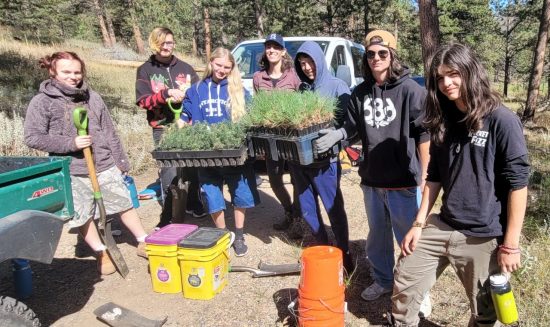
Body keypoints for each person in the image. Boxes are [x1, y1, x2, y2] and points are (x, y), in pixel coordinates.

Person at [388, 43, 529, 326]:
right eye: (439, 78)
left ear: (469, 72)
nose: (446, 83)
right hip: (444, 223)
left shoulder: (502, 120)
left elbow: (519, 184)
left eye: (453, 74)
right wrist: (418, 224)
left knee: (486, 312)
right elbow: (434, 176)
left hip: (483, 233)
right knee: (405, 278)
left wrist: (511, 245)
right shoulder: (444, 119)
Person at [316, 30, 430, 302]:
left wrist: (426, 176)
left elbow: (424, 135)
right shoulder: (360, 93)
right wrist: (339, 135)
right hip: (372, 181)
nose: (376, 58)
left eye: (382, 53)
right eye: (370, 54)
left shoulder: (411, 90)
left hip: (404, 181)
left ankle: (417, 292)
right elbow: (352, 127)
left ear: (393, 56)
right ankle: (383, 281)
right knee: (377, 239)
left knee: (408, 240)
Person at [24, 51, 149, 275]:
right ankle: (101, 251)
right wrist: (70, 143)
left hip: (103, 162)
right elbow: (33, 137)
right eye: (66, 72)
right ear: (53, 72)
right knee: (83, 213)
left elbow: (109, 131)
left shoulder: (92, 97)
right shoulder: (42, 102)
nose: (73, 77)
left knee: (123, 202)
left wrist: (120, 161)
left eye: (77, 72)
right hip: (71, 169)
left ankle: (143, 239)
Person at [178, 47, 260, 257]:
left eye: (227, 67)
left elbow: (251, 117)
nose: (222, 70)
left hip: (233, 154)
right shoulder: (196, 90)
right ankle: (223, 234)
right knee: (212, 196)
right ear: (210, 62)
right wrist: (178, 129)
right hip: (206, 155)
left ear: (231, 68)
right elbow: (185, 115)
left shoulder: (238, 90)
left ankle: (239, 235)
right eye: (218, 65)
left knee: (240, 193)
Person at [291, 41, 353, 271]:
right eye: (302, 63)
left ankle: (344, 253)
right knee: (308, 209)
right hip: (300, 163)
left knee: (334, 209)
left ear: (319, 60)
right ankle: (324, 248)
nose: (307, 67)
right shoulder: (301, 90)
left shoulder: (337, 87)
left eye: (309, 61)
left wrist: (339, 136)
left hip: (325, 162)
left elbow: (349, 125)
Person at [135, 27, 206, 229]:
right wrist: (165, 94)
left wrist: (188, 95)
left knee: (192, 167)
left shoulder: (185, 68)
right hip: (163, 127)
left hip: (187, 127)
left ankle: (194, 202)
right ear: (154, 44)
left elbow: (199, 93)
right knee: (169, 170)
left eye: (170, 42)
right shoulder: (146, 70)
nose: (166, 46)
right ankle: (170, 212)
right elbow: (142, 101)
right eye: (162, 43)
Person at [252, 33, 301, 232]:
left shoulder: (294, 76)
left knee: (297, 179)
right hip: (270, 139)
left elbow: (303, 104)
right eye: (268, 47)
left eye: (275, 47)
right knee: (274, 179)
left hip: (292, 138)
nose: (271, 50)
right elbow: (256, 109)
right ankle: (288, 211)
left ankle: (298, 219)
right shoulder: (258, 78)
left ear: (283, 51)